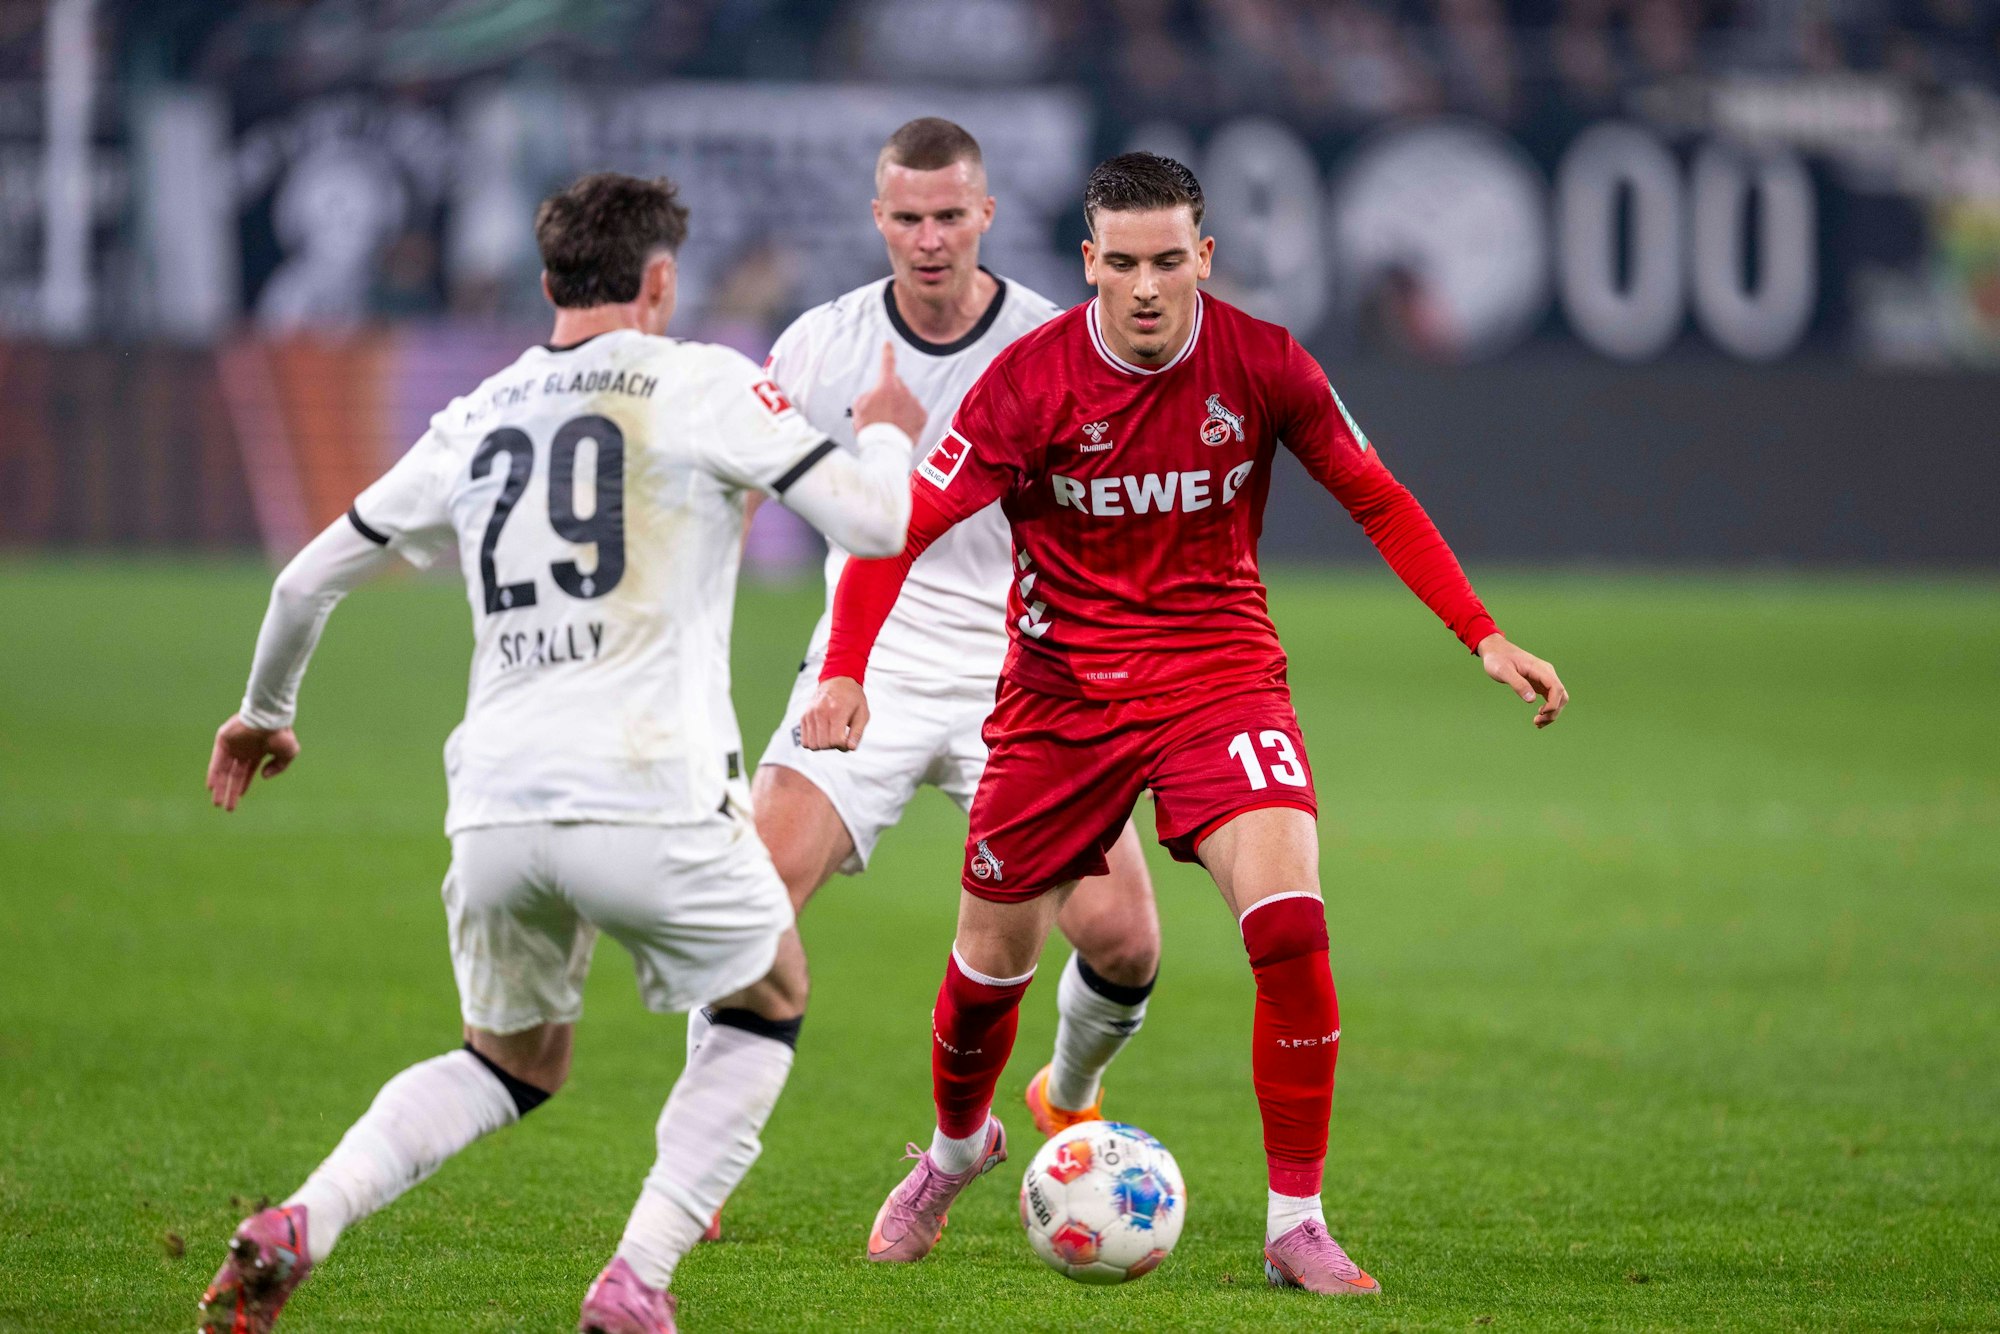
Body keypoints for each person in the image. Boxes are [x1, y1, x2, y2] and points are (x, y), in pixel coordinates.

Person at [800, 153, 1569, 1294]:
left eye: (1170, 260)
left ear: (1203, 256)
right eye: (1123, 264)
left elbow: (1372, 489)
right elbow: (901, 524)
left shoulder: (1261, 362)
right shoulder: (1026, 381)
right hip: (1059, 696)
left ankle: (1293, 1221)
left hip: (1220, 678)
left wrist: (1479, 630)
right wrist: (846, 668)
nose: (1148, 286)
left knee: (1290, 925)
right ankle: (959, 1147)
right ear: (1088, 264)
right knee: (989, 961)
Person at [196, 171, 921, 1334]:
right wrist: (885, 437)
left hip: (494, 806)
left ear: (546, 285)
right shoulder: (700, 380)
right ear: (661, 282)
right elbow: (878, 523)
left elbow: (304, 576)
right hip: (648, 787)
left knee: (510, 1059)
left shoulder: (475, 411)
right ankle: (636, 1277)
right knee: (769, 995)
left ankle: (306, 1217)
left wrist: (263, 708)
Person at [691, 117, 1161, 1240]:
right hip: (876, 658)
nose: (929, 237)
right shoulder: (819, 345)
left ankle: (1062, 1093)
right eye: (907, 217)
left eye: (950, 215)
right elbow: (731, 488)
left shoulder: (1059, 340)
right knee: (747, 899)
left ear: (986, 216)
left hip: (1029, 664)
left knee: (1126, 941)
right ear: (877, 220)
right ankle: (698, 1164)